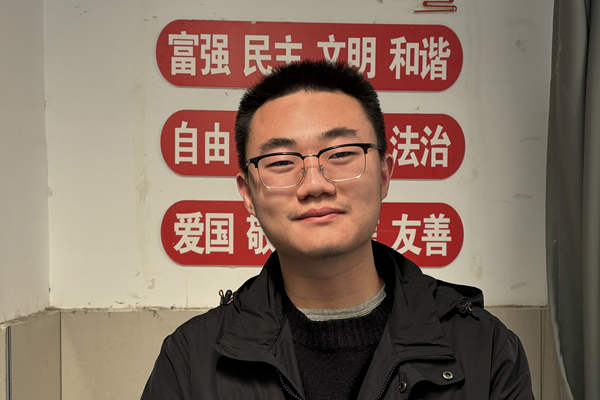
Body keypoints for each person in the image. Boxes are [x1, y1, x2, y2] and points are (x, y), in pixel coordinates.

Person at [142, 60, 534, 399]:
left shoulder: (484, 349)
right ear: (248, 193)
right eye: (281, 162)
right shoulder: (191, 361)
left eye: (342, 154)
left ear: (384, 174)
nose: (315, 184)